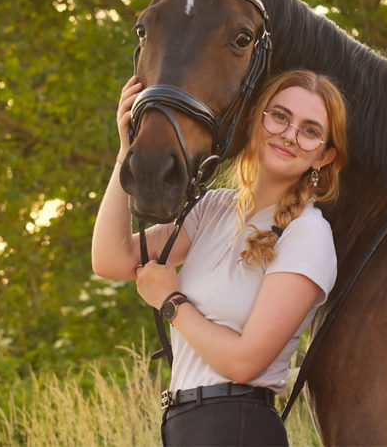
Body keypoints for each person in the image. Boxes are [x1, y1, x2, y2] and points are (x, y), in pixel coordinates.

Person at [92, 69, 349, 446]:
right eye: (280, 116)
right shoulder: (213, 208)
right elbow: (112, 259)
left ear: (324, 157)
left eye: (309, 130)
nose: (290, 134)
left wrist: (171, 302)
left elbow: (245, 363)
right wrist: (126, 150)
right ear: (256, 119)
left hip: (236, 426)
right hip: (185, 426)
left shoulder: (307, 235)